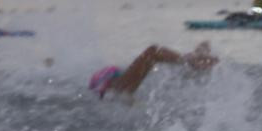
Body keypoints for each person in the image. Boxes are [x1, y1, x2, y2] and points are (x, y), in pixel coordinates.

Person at [89, 42, 218, 100]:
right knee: (153, 52)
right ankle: (195, 58)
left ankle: (195, 58)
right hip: (115, 82)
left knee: (153, 52)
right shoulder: (117, 87)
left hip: (114, 79)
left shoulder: (117, 84)